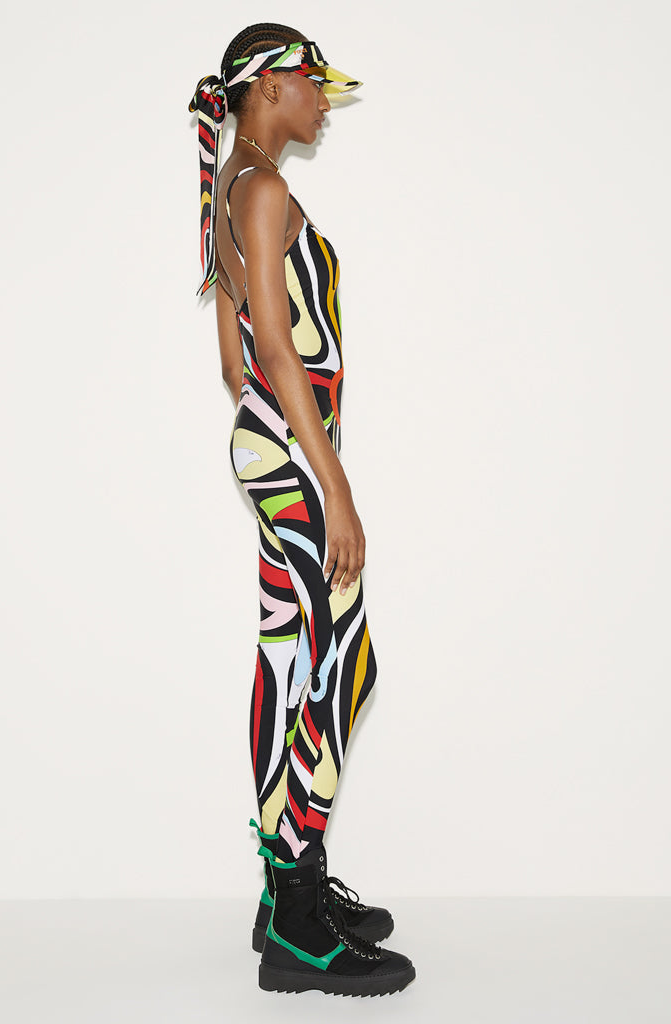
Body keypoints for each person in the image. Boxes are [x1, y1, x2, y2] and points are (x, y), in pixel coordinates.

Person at [188, 23, 415, 997]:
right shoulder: (266, 188)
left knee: (292, 655)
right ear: (271, 85)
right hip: (293, 453)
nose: (325, 102)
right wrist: (336, 486)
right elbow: (279, 354)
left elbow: (233, 360)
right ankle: (296, 916)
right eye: (316, 85)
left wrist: (274, 443)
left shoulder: (230, 184)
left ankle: (288, 891)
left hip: (265, 445)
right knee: (342, 665)